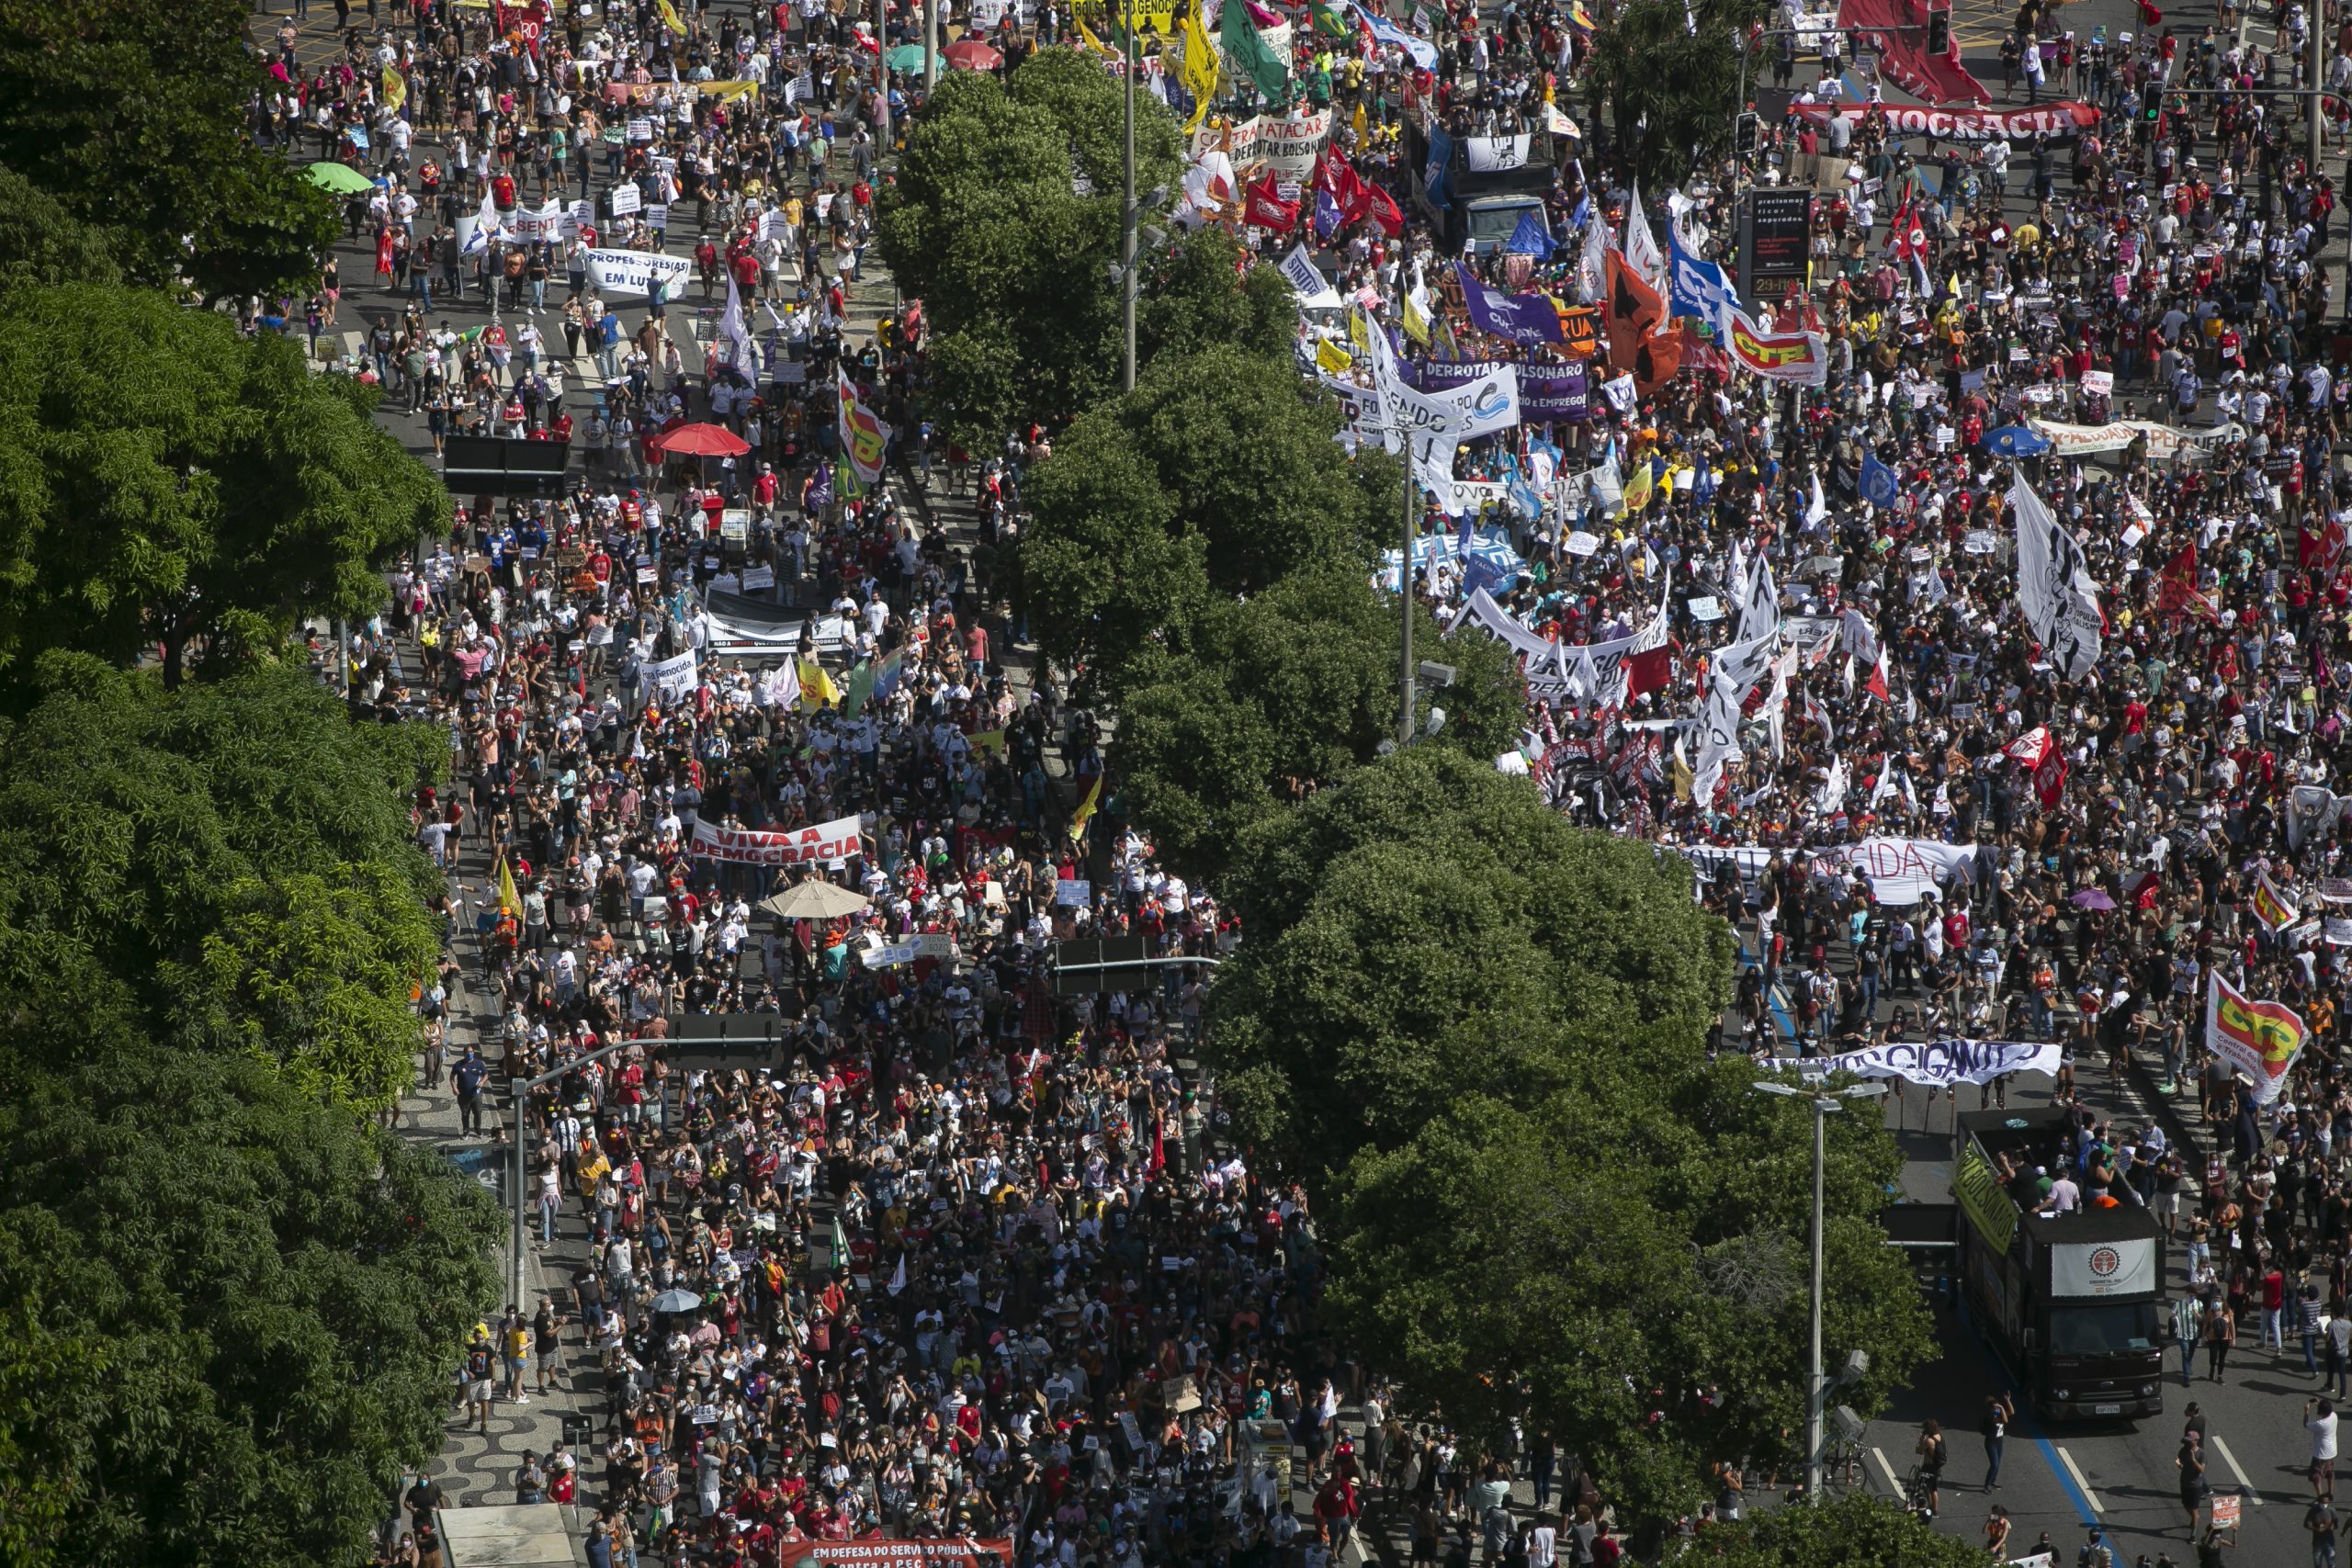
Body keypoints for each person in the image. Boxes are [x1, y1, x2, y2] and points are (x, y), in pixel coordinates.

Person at [1982, 1393, 2013, 1491]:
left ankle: (1993, 1481)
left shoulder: (1998, 1414)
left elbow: (2011, 1412)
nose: (1998, 1409)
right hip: (1991, 1444)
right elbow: (2005, 1420)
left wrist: (2007, 1400)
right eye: (1996, 1408)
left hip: (1999, 1442)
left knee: (1998, 1464)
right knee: (1994, 1465)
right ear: (1991, 1409)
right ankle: (1987, 1485)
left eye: (1998, 1407)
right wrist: (2001, 1407)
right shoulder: (1990, 1418)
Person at [1915, 1418, 1946, 1517]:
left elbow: (1919, 1451)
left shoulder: (1929, 1440)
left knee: (1926, 1488)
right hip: (1936, 1467)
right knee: (1933, 1489)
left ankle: (1931, 1509)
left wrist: (1920, 1441)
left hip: (1929, 1467)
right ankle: (1934, 1509)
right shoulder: (1939, 1437)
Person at [2312, 1399, 2341, 1500]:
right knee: (2330, 1473)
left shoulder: (2320, 1424)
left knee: (2316, 1475)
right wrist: (2320, 1403)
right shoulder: (2334, 1416)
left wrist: (2306, 1410)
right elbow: (2328, 1410)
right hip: (2331, 1451)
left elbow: (2305, 1424)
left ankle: (2320, 1497)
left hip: (2320, 1453)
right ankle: (2330, 1493)